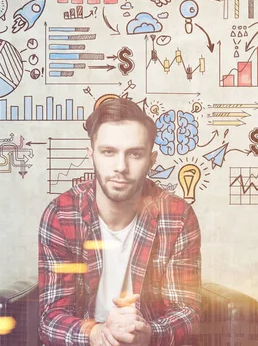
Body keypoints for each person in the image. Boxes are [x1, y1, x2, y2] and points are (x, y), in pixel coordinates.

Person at [38, 98, 202, 345]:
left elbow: (187, 311)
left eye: (135, 154)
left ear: (151, 159)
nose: (121, 167)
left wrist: (149, 334)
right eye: (108, 152)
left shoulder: (177, 215)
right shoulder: (61, 214)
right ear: (91, 154)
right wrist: (98, 333)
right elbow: (50, 317)